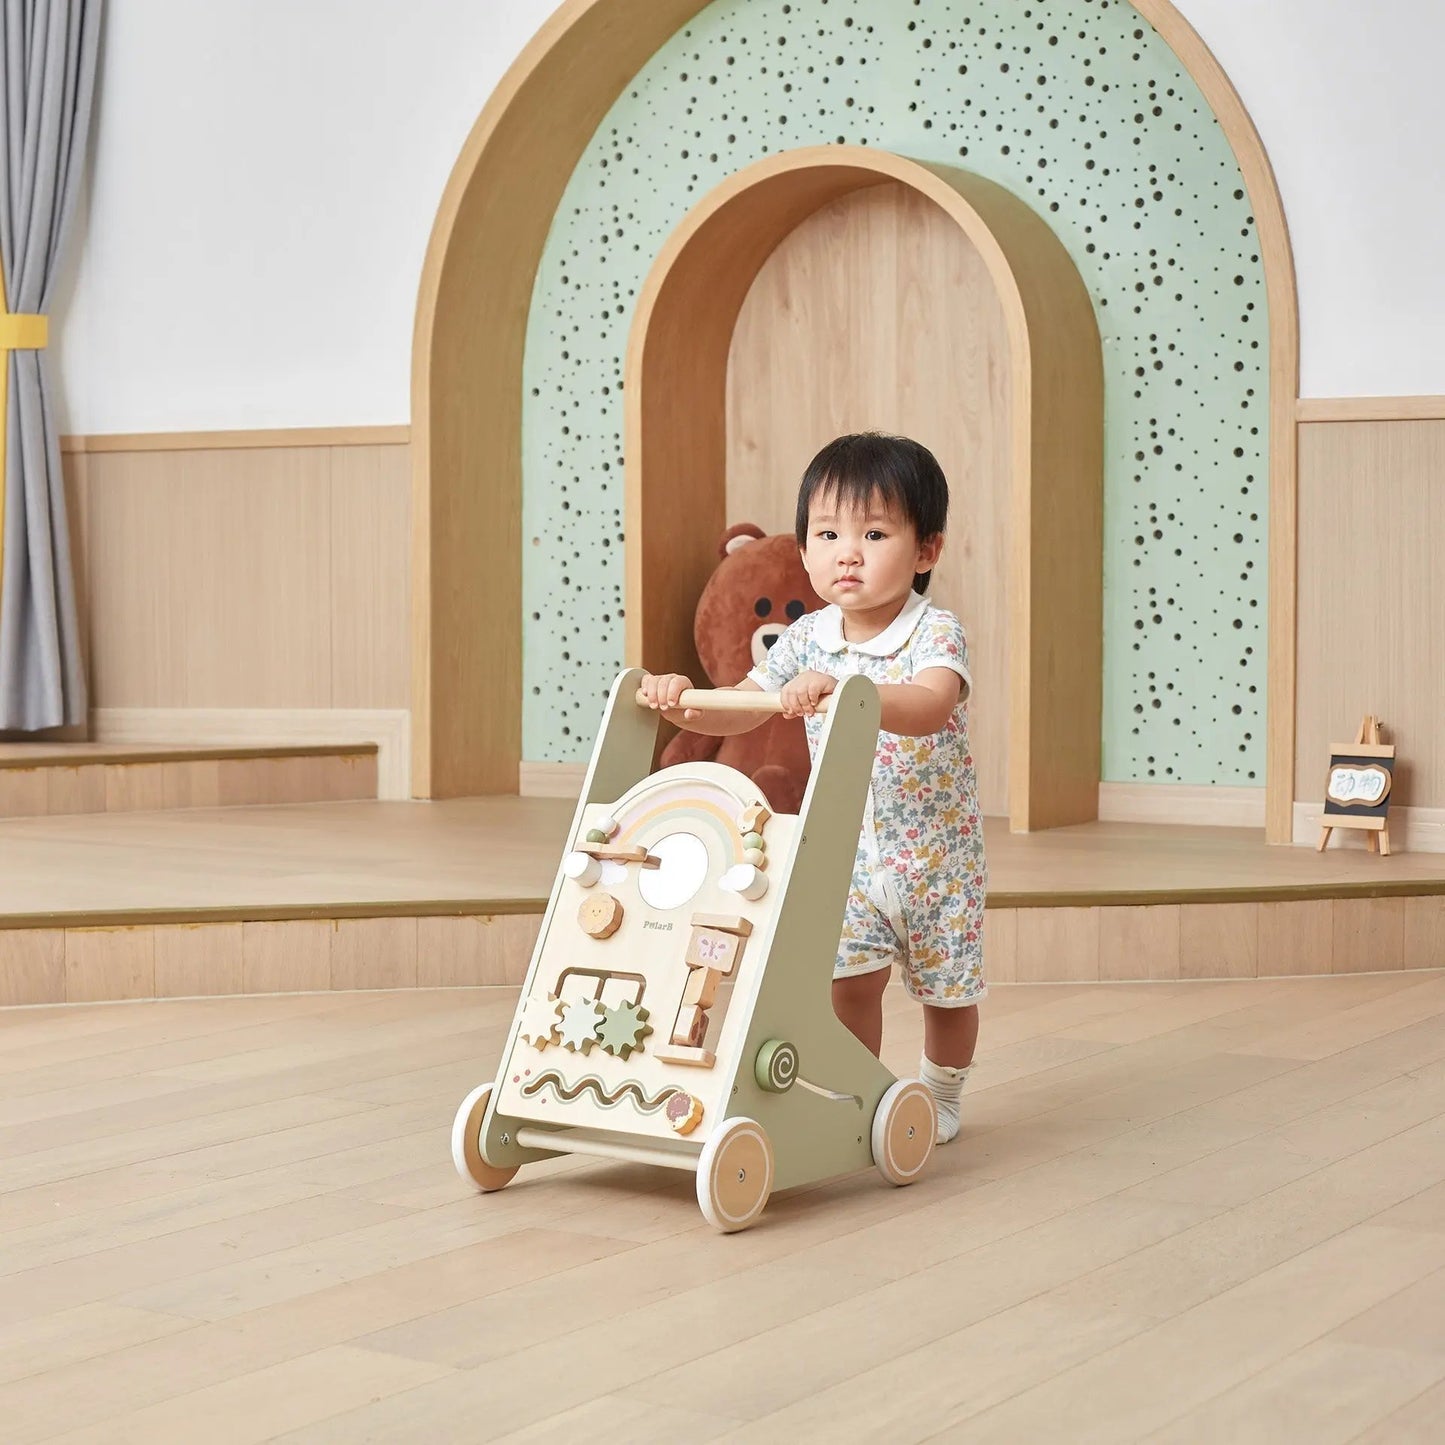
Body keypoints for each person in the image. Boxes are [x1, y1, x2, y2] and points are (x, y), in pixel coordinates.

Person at [640, 432, 985, 1143]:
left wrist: (850, 691)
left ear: (925, 550)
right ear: (804, 550)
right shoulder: (805, 637)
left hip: (933, 855)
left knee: (945, 991)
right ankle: (859, 1093)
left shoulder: (933, 632)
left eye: (874, 532)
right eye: (826, 533)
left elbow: (930, 704)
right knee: (849, 981)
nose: (846, 552)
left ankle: (941, 1091)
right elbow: (740, 698)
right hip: (846, 847)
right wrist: (682, 700)